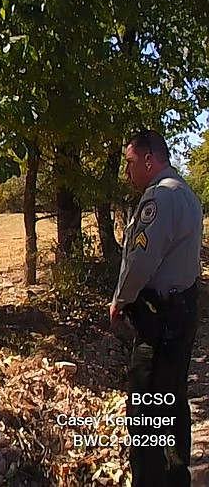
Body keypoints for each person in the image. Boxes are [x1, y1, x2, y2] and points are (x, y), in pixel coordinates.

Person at [110, 129, 203, 487]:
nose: (127, 172)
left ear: (150, 159)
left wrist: (121, 300)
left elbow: (141, 260)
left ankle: (152, 479)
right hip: (181, 314)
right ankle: (176, 475)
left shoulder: (160, 198)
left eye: (131, 163)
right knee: (173, 400)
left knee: (147, 411)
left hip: (159, 321)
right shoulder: (187, 195)